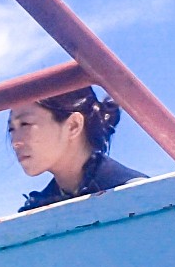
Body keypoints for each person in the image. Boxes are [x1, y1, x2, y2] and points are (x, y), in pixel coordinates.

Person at [10, 88, 146, 211]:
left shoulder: (139, 196)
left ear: (73, 126)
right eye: (11, 129)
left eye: (25, 124)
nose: (15, 142)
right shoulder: (35, 211)